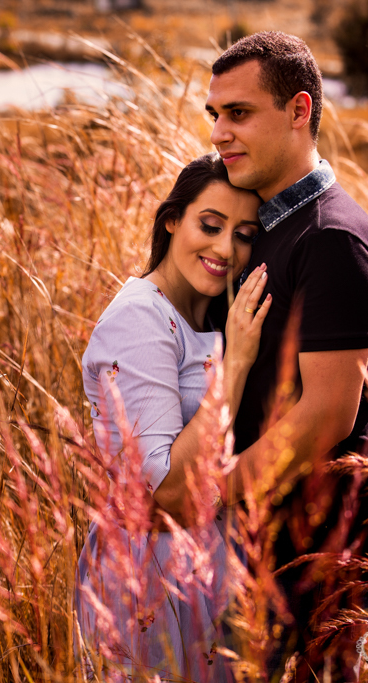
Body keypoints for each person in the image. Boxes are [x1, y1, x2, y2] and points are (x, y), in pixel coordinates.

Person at [204, 32, 368, 682]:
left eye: (238, 114)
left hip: (325, 535)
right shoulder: (270, 224)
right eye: (215, 116)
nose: (220, 134)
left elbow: (325, 414)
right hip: (272, 524)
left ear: (299, 110)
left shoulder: (332, 239)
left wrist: (214, 494)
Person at [74, 153, 271, 682]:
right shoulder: (142, 316)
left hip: (205, 570)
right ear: (172, 219)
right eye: (210, 225)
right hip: (152, 577)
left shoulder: (205, 315)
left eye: (245, 234)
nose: (225, 249)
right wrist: (239, 366)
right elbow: (168, 490)